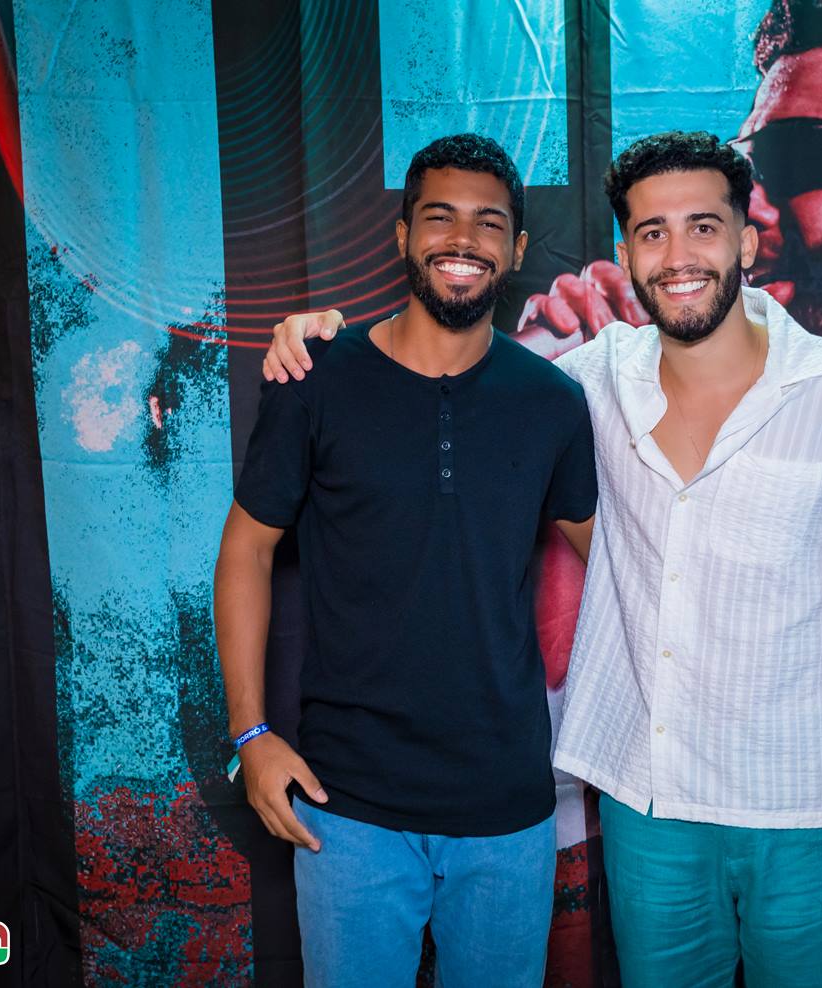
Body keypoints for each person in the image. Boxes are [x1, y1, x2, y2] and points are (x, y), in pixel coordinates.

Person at [264, 130, 822, 986]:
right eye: (651, 233)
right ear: (627, 255)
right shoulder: (590, 381)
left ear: (747, 242)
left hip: (809, 801)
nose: (678, 256)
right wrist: (319, 334)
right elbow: (454, 365)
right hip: (650, 802)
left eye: (703, 227)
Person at [214, 133, 598, 988]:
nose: (463, 239)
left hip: (506, 810)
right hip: (348, 807)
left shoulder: (553, 402)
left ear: (517, 250)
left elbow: (626, 561)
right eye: (439, 216)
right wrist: (251, 735)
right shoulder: (317, 378)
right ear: (401, 235)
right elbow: (246, 549)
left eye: (488, 222)